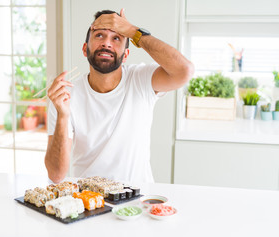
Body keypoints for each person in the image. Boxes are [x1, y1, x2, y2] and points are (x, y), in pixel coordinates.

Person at [45, 9, 194, 183]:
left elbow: (185, 70)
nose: (107, 43)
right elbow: (56, 175)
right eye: (99, 35)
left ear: (126, 56)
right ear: (85, 49)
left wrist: (133, 32)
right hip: (89, 201)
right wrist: (63, 115)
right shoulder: (65, 97)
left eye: (116, 38)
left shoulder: (142, 79)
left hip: (138, 198)